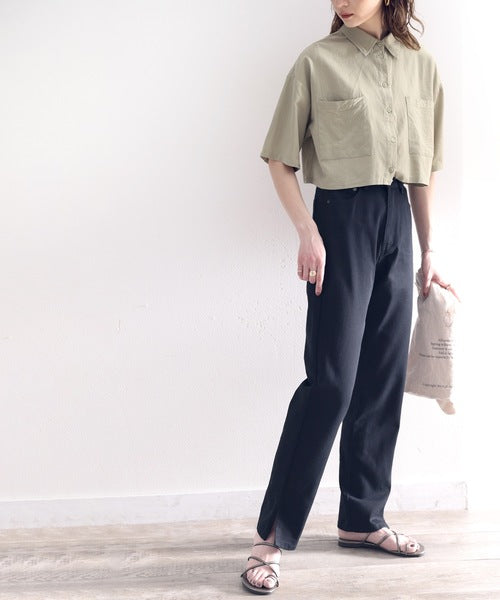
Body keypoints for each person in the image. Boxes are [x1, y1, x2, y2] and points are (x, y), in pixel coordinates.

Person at [240, 0, 461, 595]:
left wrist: (430, 250)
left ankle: (362, 518)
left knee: (382, 377)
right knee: (331, 382)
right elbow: (280, 159)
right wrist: (307, 231)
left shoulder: (422, 66)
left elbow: (424, 170)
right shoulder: (317, 62)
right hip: (340, 222)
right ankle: (272, 537)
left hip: (397, 222)